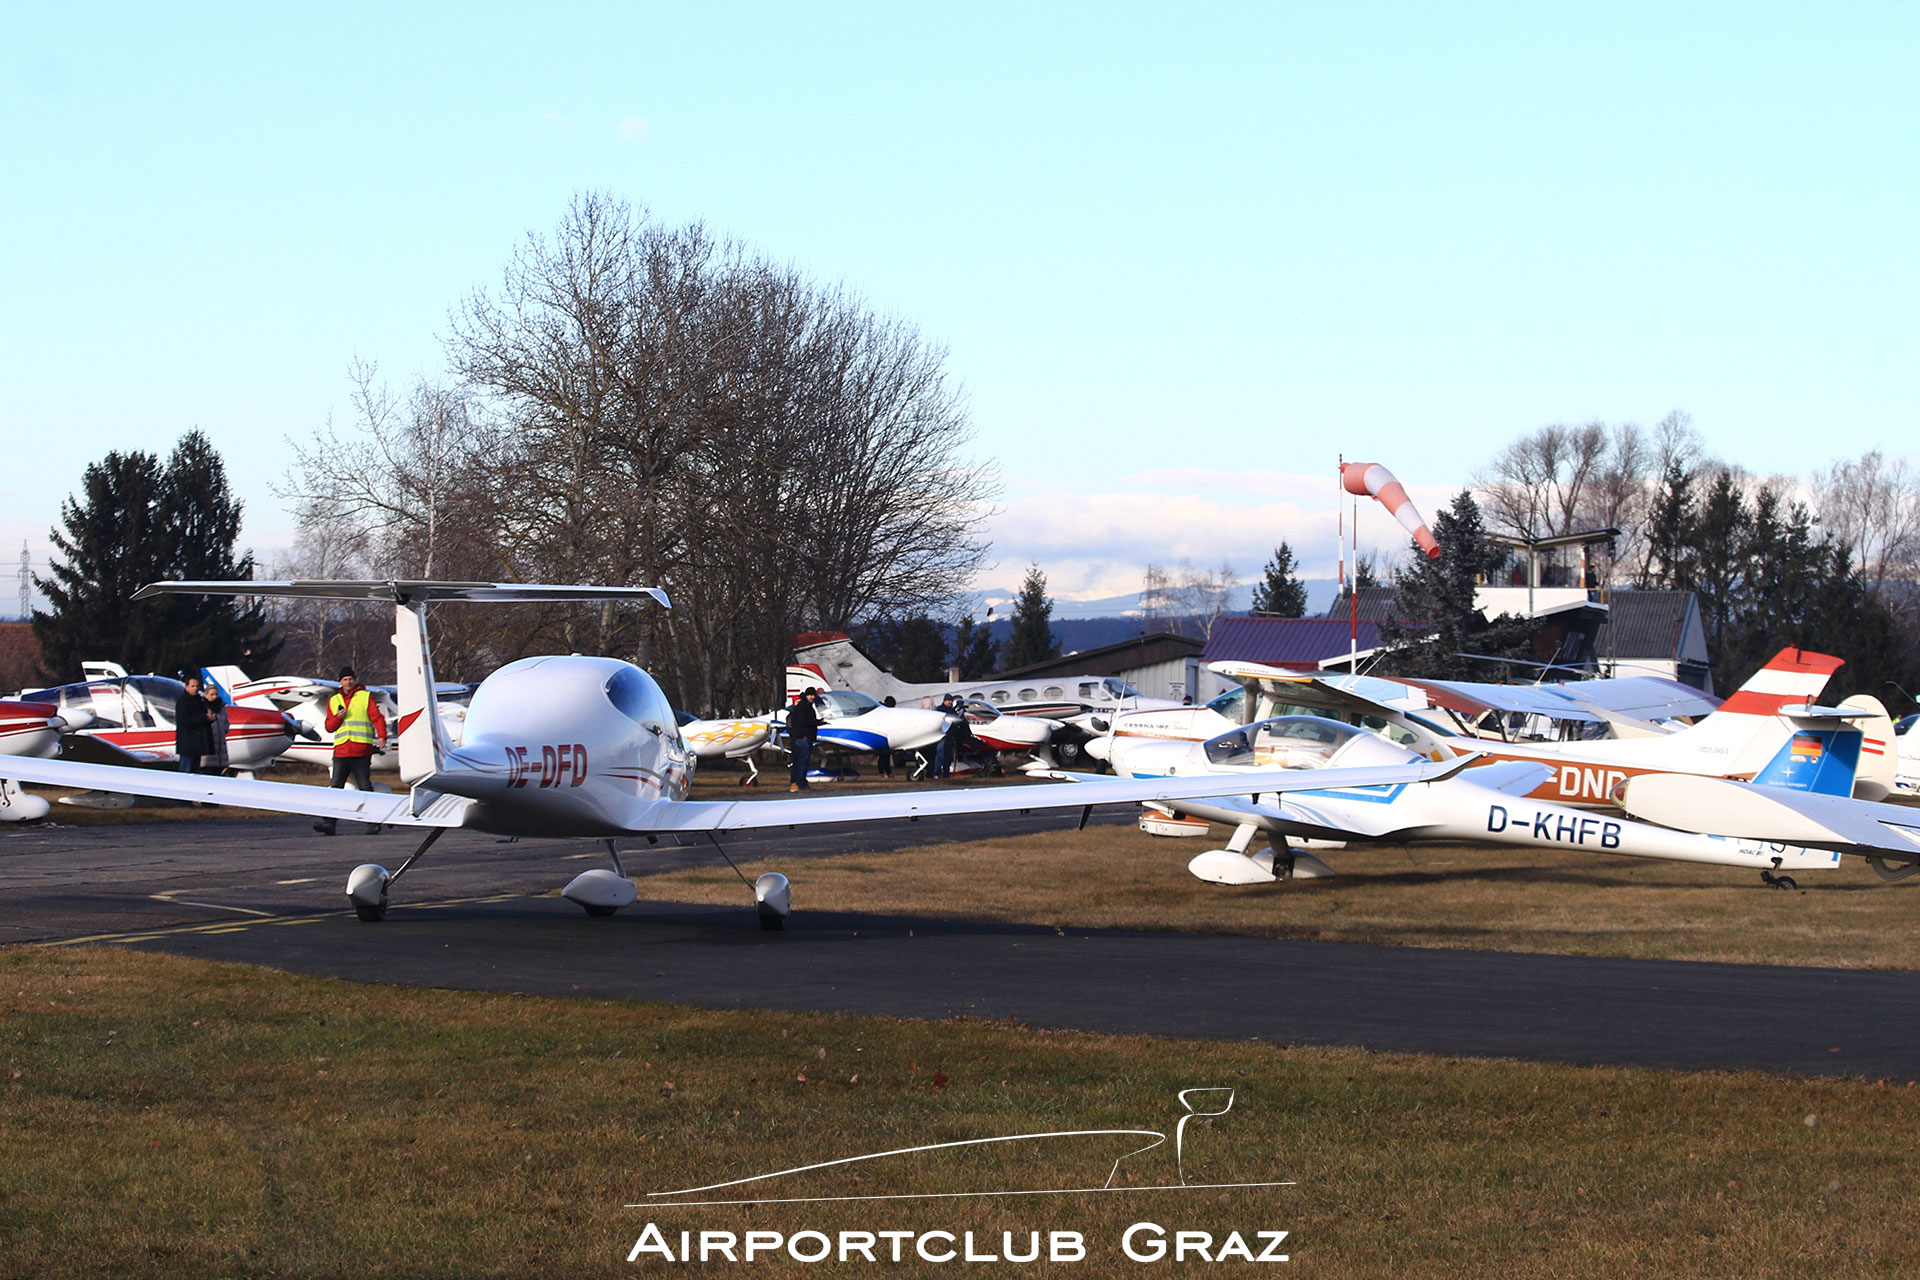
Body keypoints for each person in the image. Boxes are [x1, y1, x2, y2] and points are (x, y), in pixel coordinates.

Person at [313, 665, 388, 836]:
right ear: (340, 682)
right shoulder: (334, 701)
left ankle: (373, 822)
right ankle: (329, 823)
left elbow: (377, 717)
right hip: (341, 751)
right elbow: (329, 727)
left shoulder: (365, 696)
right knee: (336, 788)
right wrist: (338, 718)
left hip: (361, 749)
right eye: (345, 679)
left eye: (350, 679)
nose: (348, 682)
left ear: (355, 680)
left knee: (364, 787)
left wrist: (382, 735)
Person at [173, 674, 214, 774]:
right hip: (188, 745)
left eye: (197, 686)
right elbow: (184, 721)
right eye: (192, 686)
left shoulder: (199, 701)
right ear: (186, 687)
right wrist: (204, 717)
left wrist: (211, 718)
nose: (195, 689)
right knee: (186, 771)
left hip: (197, 745)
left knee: (195, 771)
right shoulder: (183, 702)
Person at [786, 687, 821, 792]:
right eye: (810, 695)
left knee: (799, 761)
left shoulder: (804, 707)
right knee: (802, 761)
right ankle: (800, 783)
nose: (812, 697)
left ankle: (798, 782)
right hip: (803, 738)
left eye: (814, 695)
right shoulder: (803, 707)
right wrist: (817, 722)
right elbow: (803, 722)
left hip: (800, 738)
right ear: (806, 696)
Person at [933, 694, 969, 780]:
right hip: (942, 738)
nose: (950, 702)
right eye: (948, 700)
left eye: (951, 701)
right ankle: (936, 773)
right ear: (944, 701)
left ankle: (946, 773)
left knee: (948, 758)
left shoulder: (952, 711)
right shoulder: (940, 710)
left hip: (951, 738)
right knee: (940, 757)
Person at [201, 679, 231, 775]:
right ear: (206, 695)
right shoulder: (202, 707)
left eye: (216, 694)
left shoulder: (222, 708)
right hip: (207, 751)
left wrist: (224, 729)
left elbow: (226, 724)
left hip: (220, 751)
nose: (214, 697)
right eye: (211, 694)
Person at [876, 695, 897, 778]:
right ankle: (884, 772)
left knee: (884, 756)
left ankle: (886, 772)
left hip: (883, 735)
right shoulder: (887, 711)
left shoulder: (881, 710)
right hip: (885, 735)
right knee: (884, 756)